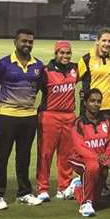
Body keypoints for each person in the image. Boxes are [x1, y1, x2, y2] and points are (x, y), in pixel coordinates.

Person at [0, 28, 44, 210]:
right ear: (15, 42)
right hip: (7, 117)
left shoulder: (38, 65)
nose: (27, 44)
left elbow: (39, 88)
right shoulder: (3, 64)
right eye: (24, 41)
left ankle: (24, 193)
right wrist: (6, 103)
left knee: (24, 157)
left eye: (30, 42)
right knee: (2, 156)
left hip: (29, 118)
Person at [36, 40, 79, 202]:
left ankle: (64, 187)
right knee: (45, 154)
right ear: (56, 54)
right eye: (62, 53)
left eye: (68, 53)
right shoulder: (45, 71)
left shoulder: (75, 69)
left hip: (69, 116)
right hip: (49, 116)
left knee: (66, 154)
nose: (65, 56)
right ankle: (43, 188)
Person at [68, 89, 110, 217]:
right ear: (85, 103)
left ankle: (78, 187)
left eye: (99, 101)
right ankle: (85, 203)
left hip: (100, 160)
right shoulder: (78, 123)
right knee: (92, 167)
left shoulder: (106, 121)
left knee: (97, 200)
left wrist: (109, 157)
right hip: (79, 159)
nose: (96, 104)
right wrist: (98, 158)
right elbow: (80, 148)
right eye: (92, 101)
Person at [78, 29, 110, 121]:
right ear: (97, 41)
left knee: (105, 135)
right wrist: (83, 92)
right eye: (104, 40)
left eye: (109, 41)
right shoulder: (86, 59)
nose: (107, 44)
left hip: (108, 107)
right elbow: (74, 79)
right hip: (90, 107)